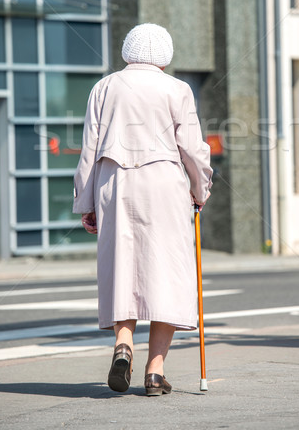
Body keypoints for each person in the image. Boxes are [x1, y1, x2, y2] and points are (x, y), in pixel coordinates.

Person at [73, 23, 212, 396]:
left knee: (123, 267)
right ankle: (155, 371)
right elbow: (193, 150)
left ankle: (123, 344)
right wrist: (201, 190)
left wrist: (86, 203)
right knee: (167, 270)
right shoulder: (177, 89)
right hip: (164, 184)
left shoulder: (104, 87)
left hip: (114, 183)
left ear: (126, 51)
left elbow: (89, 148)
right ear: (164, 58)